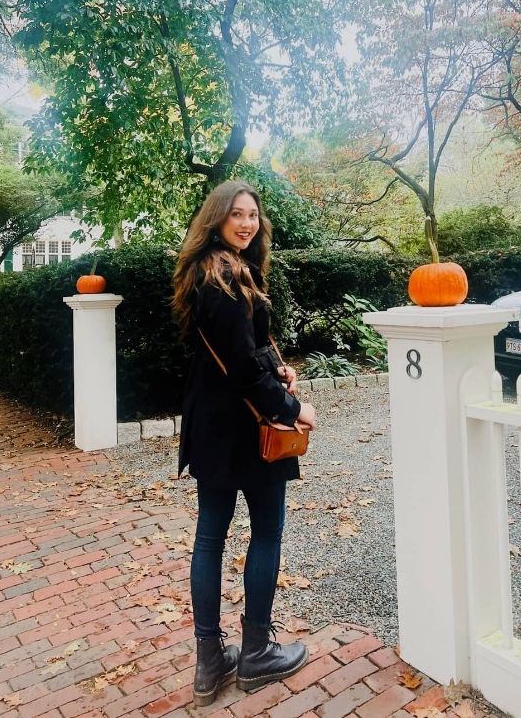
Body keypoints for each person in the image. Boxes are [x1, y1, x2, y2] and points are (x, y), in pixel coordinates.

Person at [172, 179, 317, 707]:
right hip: (246, 430)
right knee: (266, 531)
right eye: (236, 214)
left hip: (210, 428)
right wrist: (292, 408)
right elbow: (239, 367)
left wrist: (279, 367)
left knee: (210, 537)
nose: (246, 223)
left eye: (252, 215)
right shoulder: (226, 278)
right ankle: (255, 651)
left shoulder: (204, 274)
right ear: (216, 219)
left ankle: (210, 663)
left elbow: (246, 351)